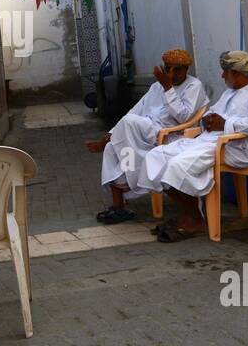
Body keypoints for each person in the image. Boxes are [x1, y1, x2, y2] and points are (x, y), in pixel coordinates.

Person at [137, 51, 248, 242]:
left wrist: (226, 123)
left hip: (233, 148)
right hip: (208, 141)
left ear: (236, 73)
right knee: (156, 156)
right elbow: (213, 111)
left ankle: (194, 219)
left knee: (177, 165)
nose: (221, 76)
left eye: (225, 72)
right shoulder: (231, 91)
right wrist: (208, 120)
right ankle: (192, 214)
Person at [86, 48, 208, 224]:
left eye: (177, 69)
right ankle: (120, 205)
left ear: (186, 69)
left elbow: (184, 117)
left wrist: (168, 88)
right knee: (112, 148)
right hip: (144, 130)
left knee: (128, 124)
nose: (171, 74)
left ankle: (132, 176)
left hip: (169, 133)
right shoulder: (156, 86)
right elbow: (137, 110)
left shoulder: (193, 86)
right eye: (168, 68)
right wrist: (112, 132)